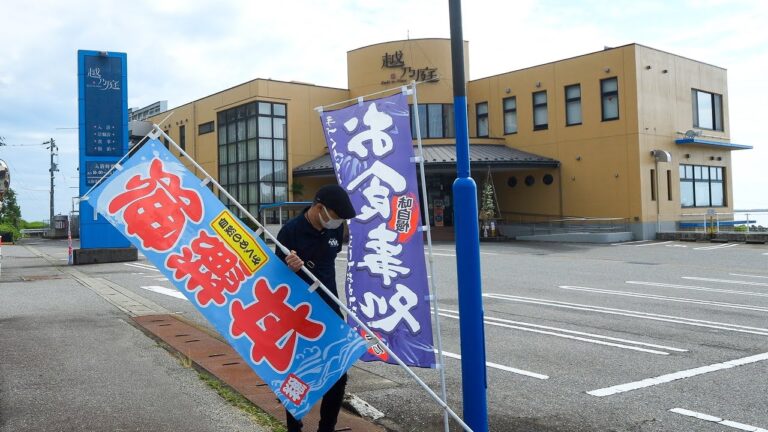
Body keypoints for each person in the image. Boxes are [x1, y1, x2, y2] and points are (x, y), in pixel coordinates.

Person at [275, 184, 357, 432]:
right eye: (336, 216)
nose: (339, 222)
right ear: (320, 208)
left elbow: (329, 259)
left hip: (330, 310)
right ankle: (294, 426)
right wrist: (289, 267)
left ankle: (326, 428)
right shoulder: (290, 232)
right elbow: (276, 277)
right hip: (299, 314)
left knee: (338, 373)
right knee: (297, 374)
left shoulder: (335, 229)